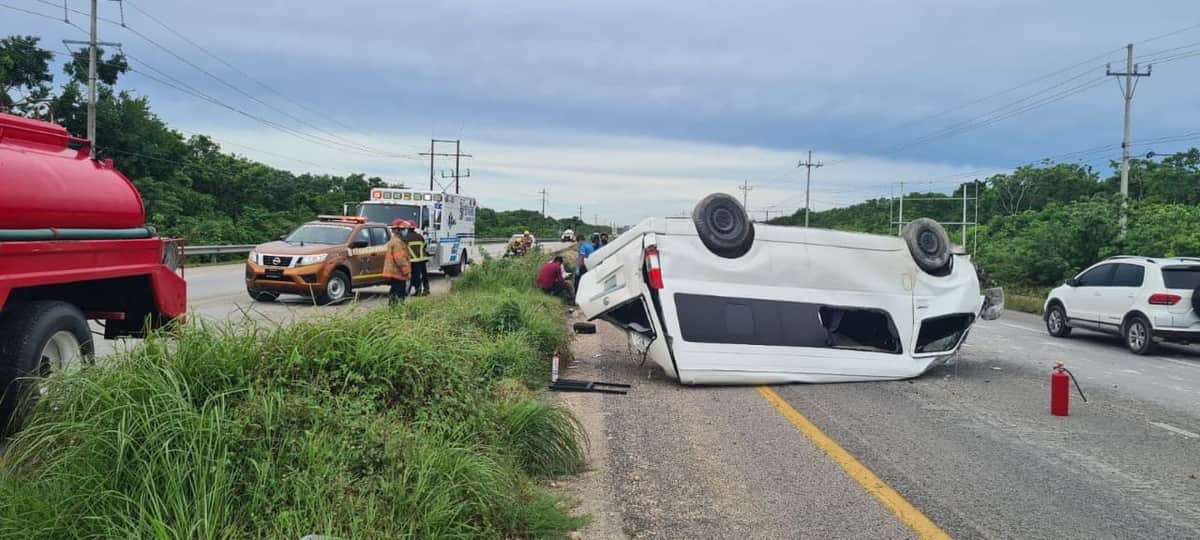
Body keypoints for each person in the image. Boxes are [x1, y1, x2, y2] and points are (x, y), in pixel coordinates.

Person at [384, 219, 413, 305]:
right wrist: (407, 271)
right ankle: (396, 308)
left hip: (395, 272)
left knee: (394, 290)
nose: (406, 231)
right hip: (398, 272)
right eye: (404, 229)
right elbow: (400, 259)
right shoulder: (397, 243)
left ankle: (393, 307)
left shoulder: (396, 241)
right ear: (398, 230)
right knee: (400, 292)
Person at [402, 221, 430, 296]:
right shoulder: (419, 236)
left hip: (413, 260)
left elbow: (404, 249)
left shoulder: (406, 238)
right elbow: (425, 245)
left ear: (407, 228)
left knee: (415, 275)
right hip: (422, 258)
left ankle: (418, 290)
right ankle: (426, 289)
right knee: (424, 274)